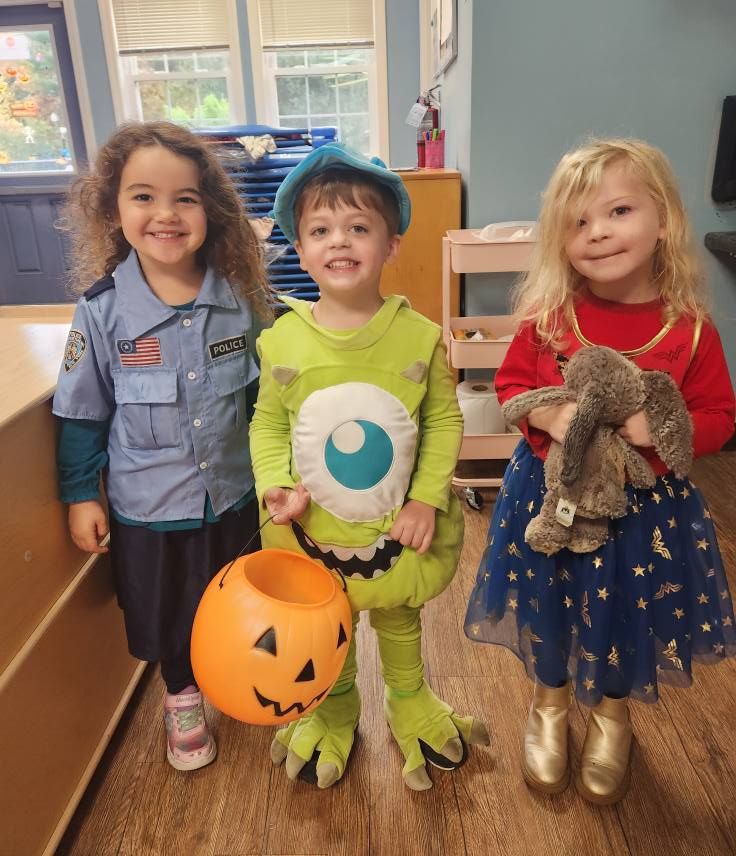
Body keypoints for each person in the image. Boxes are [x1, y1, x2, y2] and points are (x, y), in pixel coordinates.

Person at [465, 138, 735, 805]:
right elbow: (510, 387)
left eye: (618, 211)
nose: (599, 232)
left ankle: (614, 716)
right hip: (552, 499)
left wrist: (665, 430)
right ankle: (549, 705)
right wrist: (550, 418)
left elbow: (721, 414)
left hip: (647, 515)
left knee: (628, 615)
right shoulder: (548, 319)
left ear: (663, 221)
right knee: (551, 601)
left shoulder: (691, 329)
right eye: (579, 222)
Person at [249, 143, 489, 791]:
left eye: (359, 227)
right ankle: (335, 704)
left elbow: (442, 421)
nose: (339, 242)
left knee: (398, 612)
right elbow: (268, 423)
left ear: (392, 244)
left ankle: (409, 698)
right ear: (300, 250)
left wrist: (425, 499)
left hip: (395, 528)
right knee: (330, 619)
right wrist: (274, 485)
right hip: (313, 526)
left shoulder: (421, 338)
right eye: (321, 231)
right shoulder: (281, 342)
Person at [53, 121, 271, 771]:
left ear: (211, 210)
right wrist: (76, 494)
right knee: (169, 611)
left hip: (236, 495)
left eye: (185, 198)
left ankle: (237, 679)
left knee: (235, 598)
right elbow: (82, 413)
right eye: (143, 196)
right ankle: (181, 695)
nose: (165, 214)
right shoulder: (101, 312)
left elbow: (271, 402)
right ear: (113, 210)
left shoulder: (242, 301)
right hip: (149, 507)